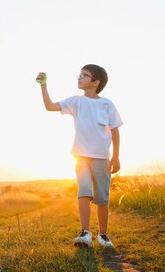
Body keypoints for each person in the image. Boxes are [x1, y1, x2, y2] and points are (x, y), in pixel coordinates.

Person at [36, 64, 122, 249]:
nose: (79, 77)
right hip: (80, 156)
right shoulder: (76, 101)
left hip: (101, 158)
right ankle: (85, 233)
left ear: (95, 82)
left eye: (84, 75)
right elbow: (50, 106)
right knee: (83, 190)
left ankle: (103, 235)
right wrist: (43, 85)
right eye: (79, 74)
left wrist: (115, 157)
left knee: (102, 198)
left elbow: (115, 131)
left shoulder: (107, 104)